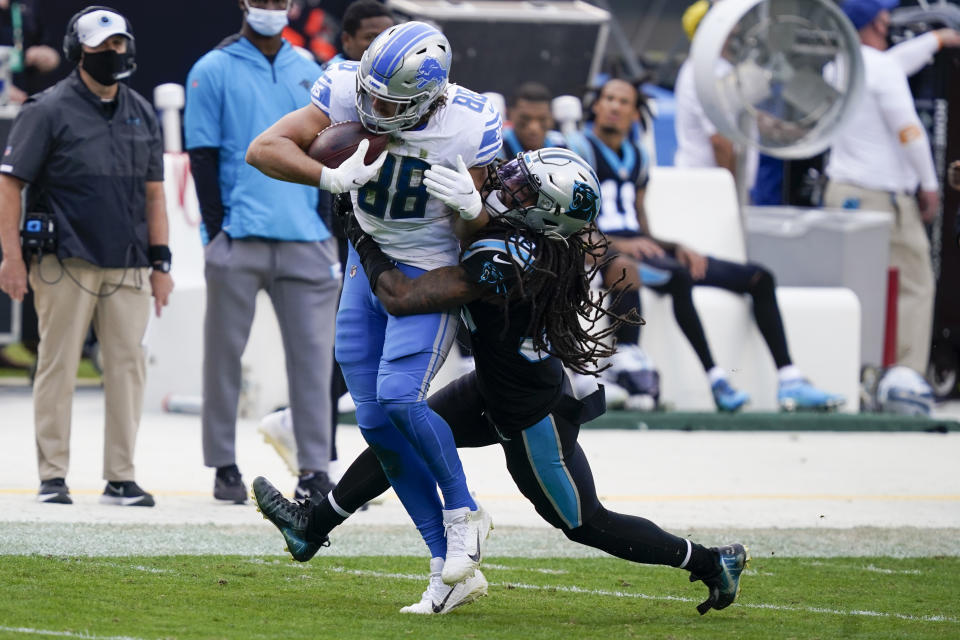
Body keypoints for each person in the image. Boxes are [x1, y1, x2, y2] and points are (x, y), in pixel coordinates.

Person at [251, 148, 749, 616]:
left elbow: (402, 296)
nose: (506, 184)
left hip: (530, 416)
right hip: (494, 386)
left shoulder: (510, 256)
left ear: (543, 217)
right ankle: (311, 528)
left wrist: (361, 232)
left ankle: (710, 561)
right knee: (399, 430)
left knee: (583, 522)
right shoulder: (525, 236)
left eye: (523, 191)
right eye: (516, 175)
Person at [246, 21, 502, 587]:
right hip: (368, 264)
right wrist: (328, 176)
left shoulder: (471, 120)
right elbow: (263, 148)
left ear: (429, 96)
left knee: (398, 396)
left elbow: (480, 234)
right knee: (374, 421)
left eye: (389, 101)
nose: (371, 107)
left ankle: (465, 512)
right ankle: (444, 565)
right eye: (370, 93)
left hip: (431, 268)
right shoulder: (342, 86)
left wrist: (473, 207)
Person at [577, 78, 843, 412]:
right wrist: (626, 245)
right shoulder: (578, 149)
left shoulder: (639, 157)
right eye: (609, 99)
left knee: (760, 277)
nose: (615, 107)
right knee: (677, 275)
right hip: (609, 252)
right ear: (597, 105)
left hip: (646, 253)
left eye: (624, 101)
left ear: (635, 113)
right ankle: (716, 379)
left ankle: (790, 379)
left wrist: (677, 246)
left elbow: (642, 227)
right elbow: (576, 226)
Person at [0, 6, 173, 506]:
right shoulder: (46, 108)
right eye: (101, 47)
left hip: (128, 263)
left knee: (128, 366)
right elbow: (10, 186)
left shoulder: (140, 110)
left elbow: (155, 194)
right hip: (64, 260)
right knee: (57, 364)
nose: (112, 54)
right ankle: (52, 475)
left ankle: (121, 475)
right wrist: (12, 258)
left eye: (118, 44)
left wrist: (161, 264)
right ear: (79, 52)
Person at [184, 0, 341, 505]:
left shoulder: (310, 69)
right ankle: (223, 464)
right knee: (224, 359)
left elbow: (325, 150)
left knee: (315, 362)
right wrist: (216, 234)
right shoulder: (211, 68)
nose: (272, 7)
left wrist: (321, 224)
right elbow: (202, 157)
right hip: (239, 234)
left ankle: (314, 468)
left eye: (281, 0)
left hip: (305, 239)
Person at [257, 0, 396, 483]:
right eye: (371, 38)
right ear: (348, 42)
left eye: (388, 37)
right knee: (344, 340)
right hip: (338, 228)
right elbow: (292, 152)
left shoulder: (404, 87)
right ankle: (318, 441)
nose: (380, 48)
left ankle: (303, 425)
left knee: (367, 344)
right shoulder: (336, 86)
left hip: (382, 228)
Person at [824, 0, 960, 377]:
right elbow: (910, 133)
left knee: (856, 289)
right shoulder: (881, 69)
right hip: (883, 201)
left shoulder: (839, 67)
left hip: (842, 192)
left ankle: (857, 376)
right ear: (877, 21)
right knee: (914, 287)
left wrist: (936, 39)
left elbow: (892, 65)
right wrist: (930, 186)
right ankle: (906, 378)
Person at [0, 0, 61, 104]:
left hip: (23, 101)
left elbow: (51, 54)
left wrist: (45, 56)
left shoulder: (27, 6)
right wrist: (3, 89)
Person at [499, 81, 568, 160]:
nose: (534, 128)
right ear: (510, 115)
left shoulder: (561, 146)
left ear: (552, 118)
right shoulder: (498, 147)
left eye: (542, 119)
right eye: (525, 118)